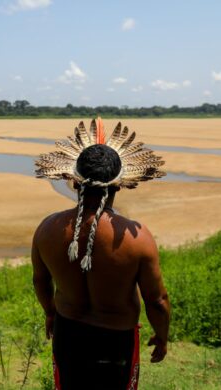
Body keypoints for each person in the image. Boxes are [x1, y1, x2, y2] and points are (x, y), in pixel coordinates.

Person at [32, 118, 171, 389]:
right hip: (116, 340)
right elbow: (157, 301)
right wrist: (162, 336)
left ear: (73, 182)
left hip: (68, 331)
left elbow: (40, 281)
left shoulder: (48, 229)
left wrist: (50, 312)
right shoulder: (138, 238)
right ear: (119, 185)